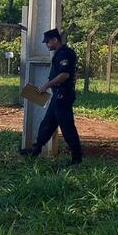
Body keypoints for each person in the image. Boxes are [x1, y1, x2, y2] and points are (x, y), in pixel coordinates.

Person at [20, 28, 83, 166]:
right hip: (58, 95)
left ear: (55, 40)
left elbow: (64, 75)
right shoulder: (60, 53)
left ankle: (76, 158)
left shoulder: (64, 54)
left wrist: (46, 86)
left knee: (67, 127)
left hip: (63, 95)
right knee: (47, 124)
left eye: (48, 42)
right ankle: (35, 150)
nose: (47, 45)